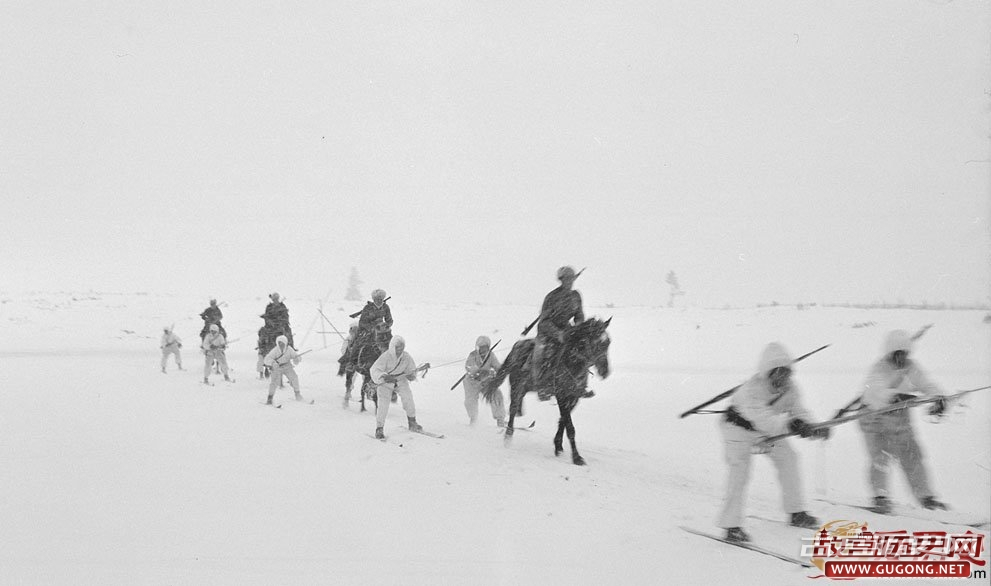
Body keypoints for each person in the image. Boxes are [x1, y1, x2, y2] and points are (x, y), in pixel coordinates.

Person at [717, 342, 829, 543]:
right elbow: (765, 420)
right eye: (777, 372)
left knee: (789, 459)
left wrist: (813, 427)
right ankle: (731, 526)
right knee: (739, 472)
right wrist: (792, 424)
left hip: (768, 431)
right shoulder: (751, 390)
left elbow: (799, 411)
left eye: (785, 372)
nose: (782, 377)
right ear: (767, 372)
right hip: (738, 429)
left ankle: (796, 513)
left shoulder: (791, 389)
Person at [857, 330, 949, 514]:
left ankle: (926, 497)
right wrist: (895, 396)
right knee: (880, 457)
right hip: (874, 417)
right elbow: (875, 391)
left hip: (900, 417)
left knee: (913, 455)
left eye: (904, 354)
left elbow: (927, 384)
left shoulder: (912, 367)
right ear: (889, 353)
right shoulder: (879, 367)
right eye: (897, 354)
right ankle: (880, 497)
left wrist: (938, 397)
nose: (901, 358)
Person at [532, 266, 584, 397]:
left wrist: (578, 327)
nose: (569, 281)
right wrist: (557, 334)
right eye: (566, 279)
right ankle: (541, 385)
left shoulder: (576, 296)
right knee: (540, 354)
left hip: (567, 331)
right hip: (547, 333)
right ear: (561, 280)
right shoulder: (551, 297)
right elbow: (544, 321)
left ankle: (580, 383)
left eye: (571, 279)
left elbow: (579, 316)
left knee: (581, 351)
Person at [370, 335, 421, 439]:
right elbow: (374, 370)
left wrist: (412, 376)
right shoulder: (385, 357)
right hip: (385, 383)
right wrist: (383, 376)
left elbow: (411, 369)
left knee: (408, 398)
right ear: (392, 347)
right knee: (383, 404)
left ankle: (412, 422)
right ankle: (379, 428)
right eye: (397, 347)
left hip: (401, 381)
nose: (400, 350)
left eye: (402, 347)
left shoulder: (406, 357)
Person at [462, 335, 506, 427]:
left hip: (486, 381)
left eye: (485, 347)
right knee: (470, 401)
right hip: (472, 382)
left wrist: (501, 370)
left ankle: (500, 419)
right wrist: (477, 370)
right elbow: (468, 367)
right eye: (481, 347)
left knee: (497, 395)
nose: (483, 349)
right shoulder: (472, 355)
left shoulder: (491, 355)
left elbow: (497, 367)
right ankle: (473, 419)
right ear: (478, 347)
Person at [263, 335, 303, 404]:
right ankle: (270, 398)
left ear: (285, 343)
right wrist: (272, 363)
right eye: (279, 343)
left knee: (294, 378)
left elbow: (296, 357)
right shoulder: (275, 350)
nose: (281, 345)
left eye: (282, 343)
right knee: (274, 383)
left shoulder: (289, 349)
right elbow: (266, 359)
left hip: (287, 366)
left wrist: (297, 359)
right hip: (277, 367)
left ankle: (297, 394)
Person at [338, 321, 360, 404]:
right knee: (351, 376)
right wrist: (348, 356)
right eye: (353, 330)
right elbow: (343, 349)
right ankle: (348, 391)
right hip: (351, 361)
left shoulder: (364, 339)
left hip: (362, 360)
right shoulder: (348, 339)